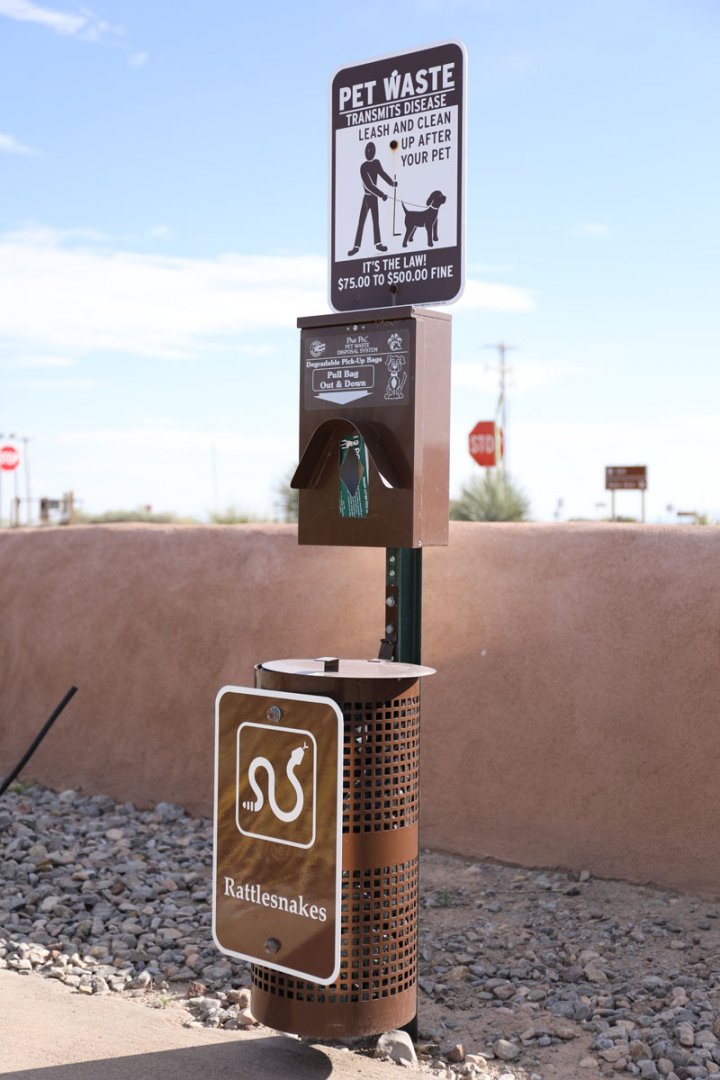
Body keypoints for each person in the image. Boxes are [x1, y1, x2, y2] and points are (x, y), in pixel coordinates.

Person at [347, 142, 397, 256]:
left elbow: (382, 174)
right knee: (361, 221)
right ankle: (356, 246)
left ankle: (378, 243)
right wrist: (382, 194)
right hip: (367, 197)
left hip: (374, 198)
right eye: (367, 150)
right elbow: (368, 185)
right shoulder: (363, 167)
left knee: (376, 221)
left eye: (371, 150)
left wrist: (392, 183)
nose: (369, 152)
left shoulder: (376, 163)